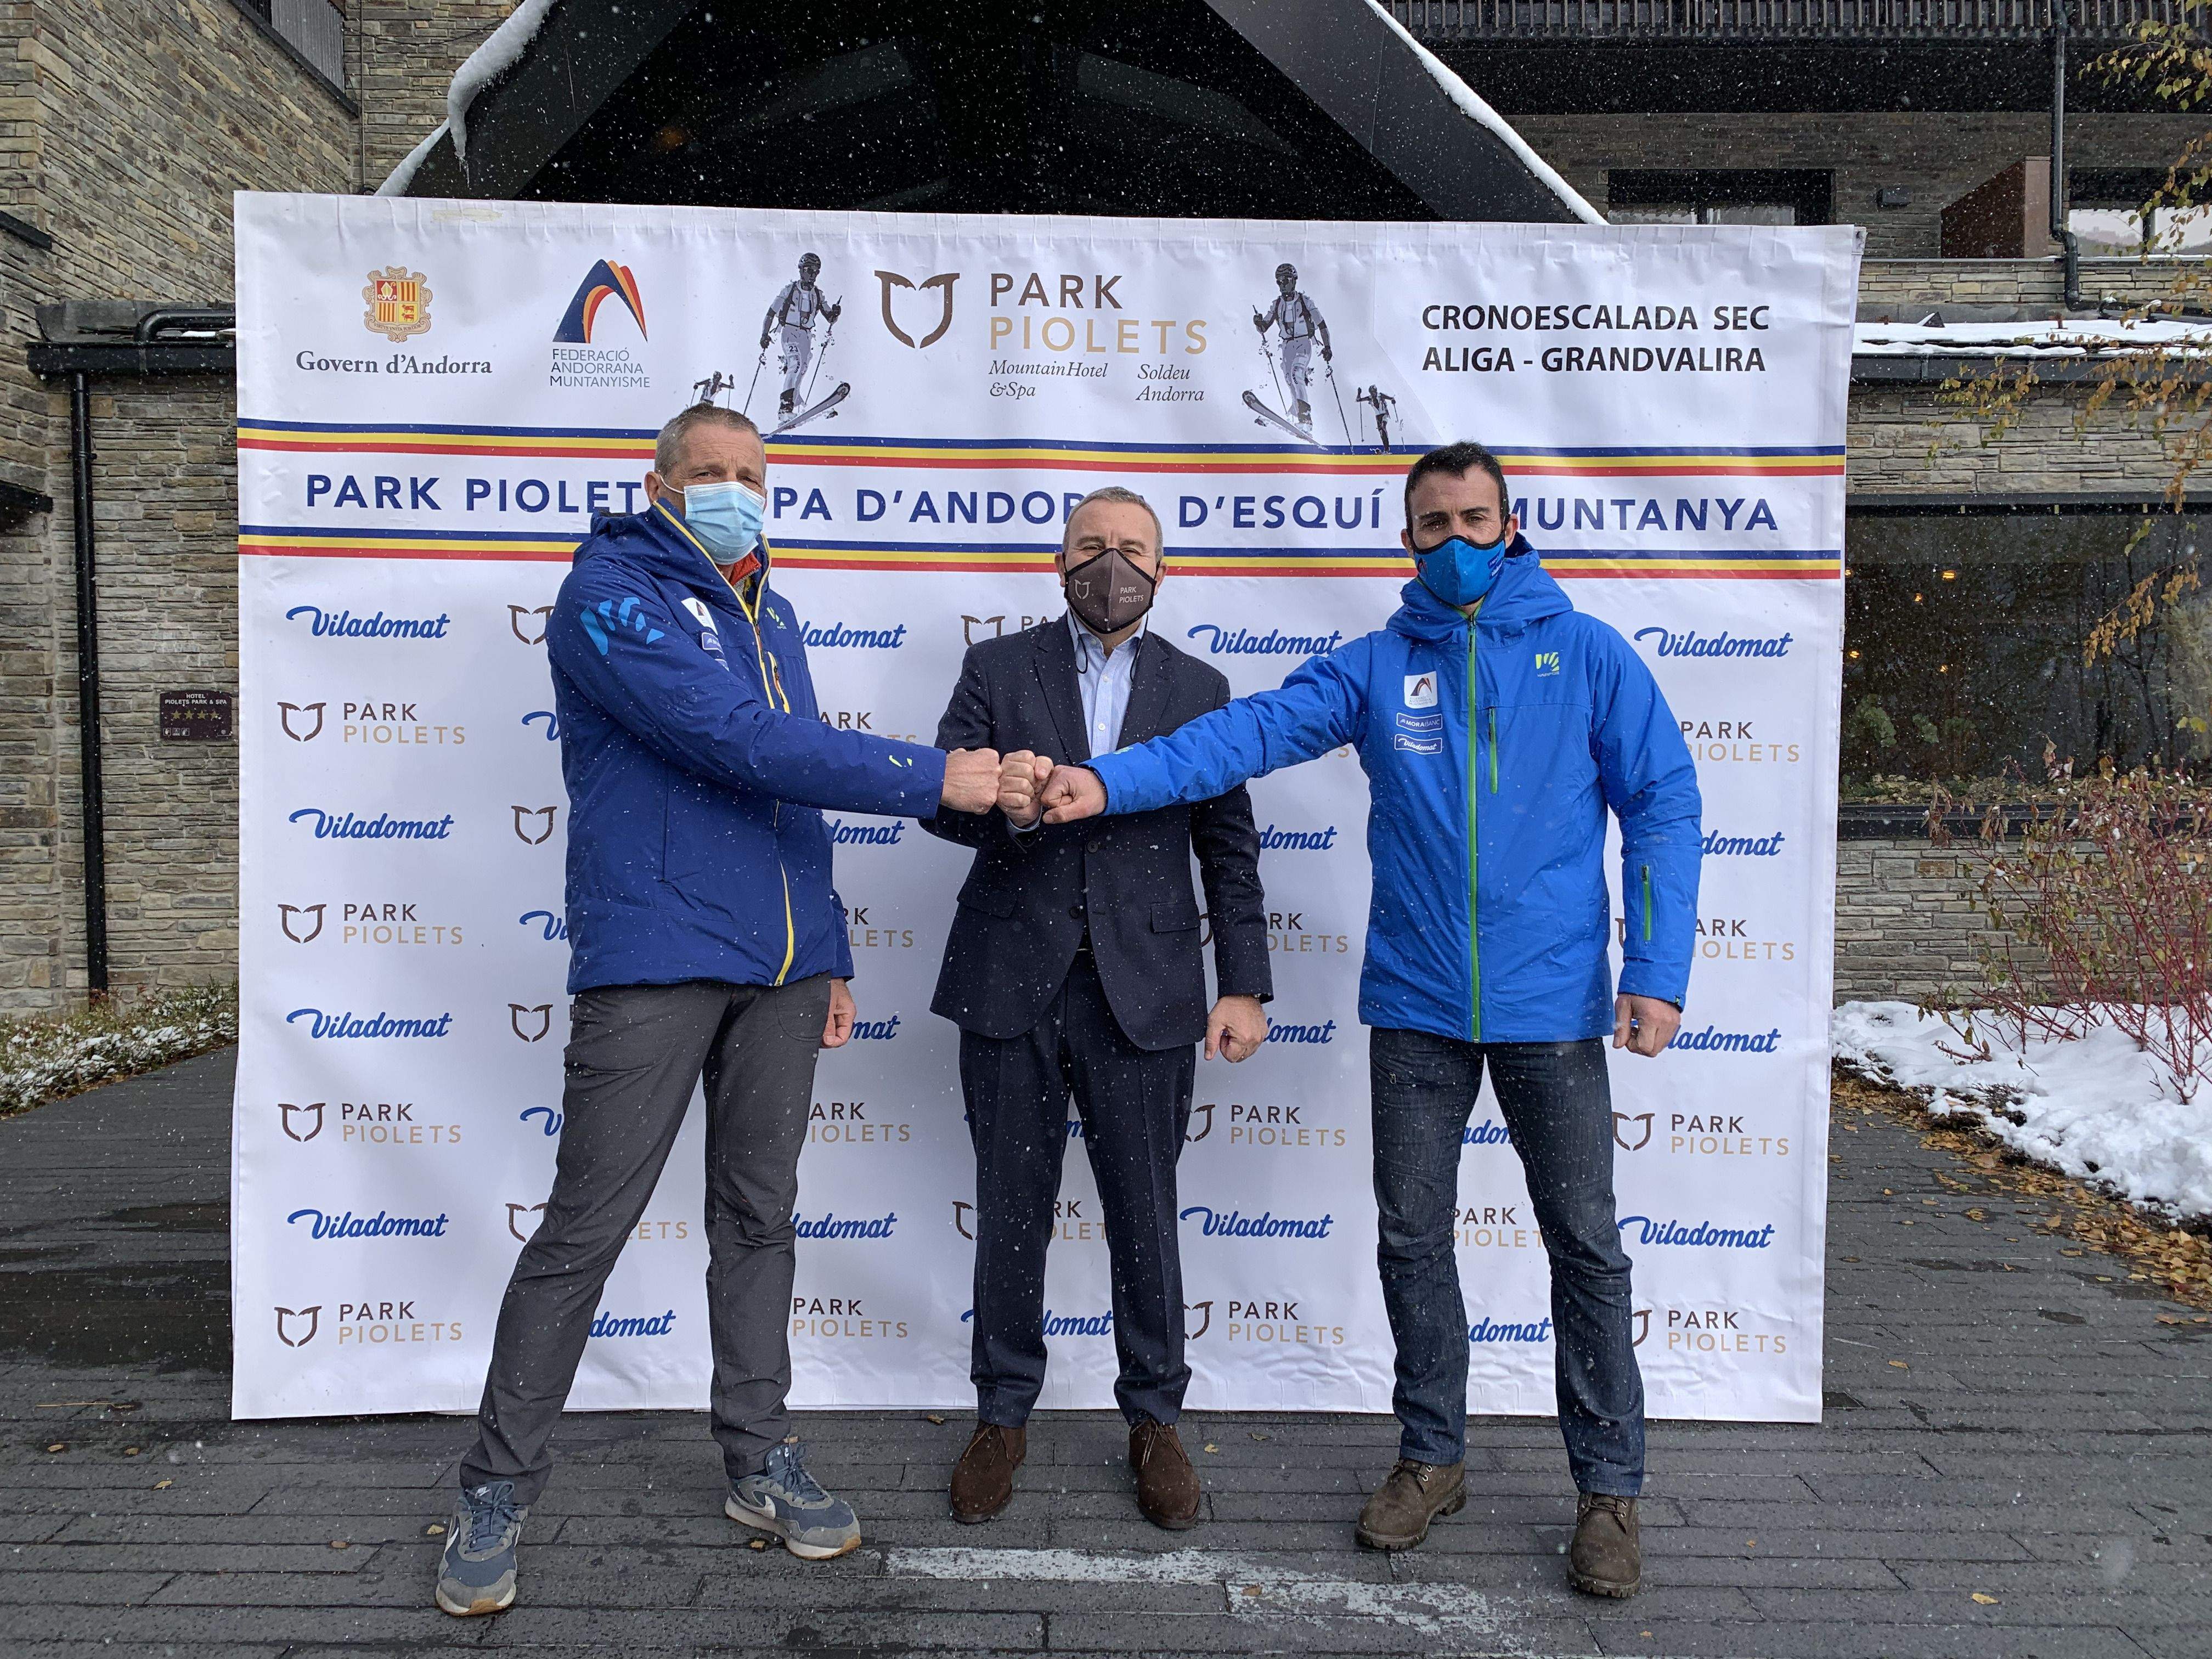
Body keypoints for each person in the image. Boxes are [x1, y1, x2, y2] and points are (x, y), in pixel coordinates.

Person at [1036, 443, 1701, 1599]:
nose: (1454, 541)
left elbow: (1664, 807)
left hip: (1553, 1010)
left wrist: (1656, 968)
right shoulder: (1378, 667)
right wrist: (1112, 781)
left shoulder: (1587, 655)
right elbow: (1239, 738)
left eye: (1474, 519)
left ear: (1511, 524)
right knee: (1412, 1242)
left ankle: (1609, 1493)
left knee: (1585, 1249)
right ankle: (1432, 1458)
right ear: (1407, 541)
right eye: (1432, 524)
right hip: (1418, 1007)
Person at [435, 402, 1002, 1617]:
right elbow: (735, 739)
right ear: (660, 483)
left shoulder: (774, 612)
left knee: (759, 1219)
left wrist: (832, 948)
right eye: (708, 472)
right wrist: (927, 777)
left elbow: (787, 785)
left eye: (750, 472)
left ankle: (757, 1458)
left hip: (785, 969)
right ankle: (495, 1489)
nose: (732, 488)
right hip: (656, 955)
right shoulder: (609, 593)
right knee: (585, 1230)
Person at [923, 486, 1272, 1531]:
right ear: (1058, 560)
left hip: (1149, 989)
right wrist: (1001, 803)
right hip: (1009, 981)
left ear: (1162, 570)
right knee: (1011, 1205)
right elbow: (942, 803)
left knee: (1145, 1214)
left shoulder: (1201, 686)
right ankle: (1002, 1411)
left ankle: (1155, 1415)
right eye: (1090, 546)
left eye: (1130, 548)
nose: (1108, 564)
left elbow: (1229, 849)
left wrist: (1245, 982)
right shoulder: (996, 668)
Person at [761, 253, 840, 422]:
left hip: (806, 336)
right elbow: (771, 312)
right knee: (795, 363)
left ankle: (795, 402)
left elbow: (830, 317)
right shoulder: (789, 290)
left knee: (802, 369)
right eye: (809, 270)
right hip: (790, 332)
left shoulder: (818, 294)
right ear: (801, 271)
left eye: (816, 272)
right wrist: (764, 334)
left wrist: (835, 313)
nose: (812, 275)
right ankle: (785, 407)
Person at [1252, 262, 1331, 432]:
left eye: (1285, 280)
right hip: (1287, 346)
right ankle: (1296, 413)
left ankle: (1306, 419)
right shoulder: (1277, 304)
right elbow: (1264, 327)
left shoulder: (1305, 301)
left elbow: (1322, 325)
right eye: (1279, 282)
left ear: (1294, 280)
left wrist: (1327, 347)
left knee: (1297, 374)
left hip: (1303, 343)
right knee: (1290, 380)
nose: (1282, 285)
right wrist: (1258, 323)